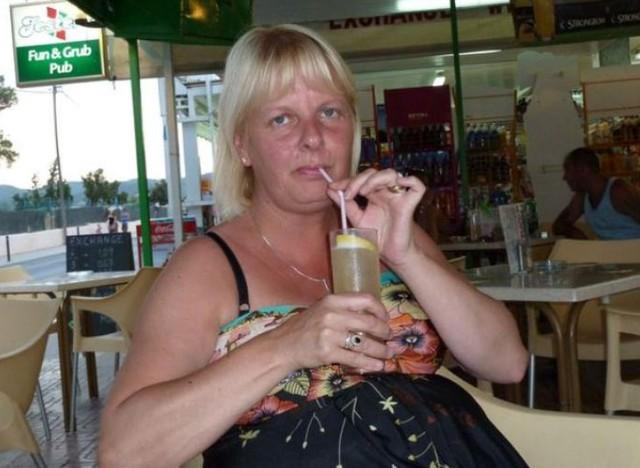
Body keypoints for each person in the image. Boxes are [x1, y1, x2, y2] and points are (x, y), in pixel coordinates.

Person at [98, 25, 528, 468]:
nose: (313, 137)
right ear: (243, 145)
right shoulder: (207, 267)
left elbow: (507, 362)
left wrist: (407, 256)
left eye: (329, 112)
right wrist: (288, 344)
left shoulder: (386, 231)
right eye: (281, 119)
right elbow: (123, 453)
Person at [553, 147, 640, 239]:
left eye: (567, 170)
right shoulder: (582, 196)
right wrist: (574, 233)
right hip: (606, 248)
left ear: (583, 170)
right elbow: (558, 226)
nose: (564, 177)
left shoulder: (619, 191)